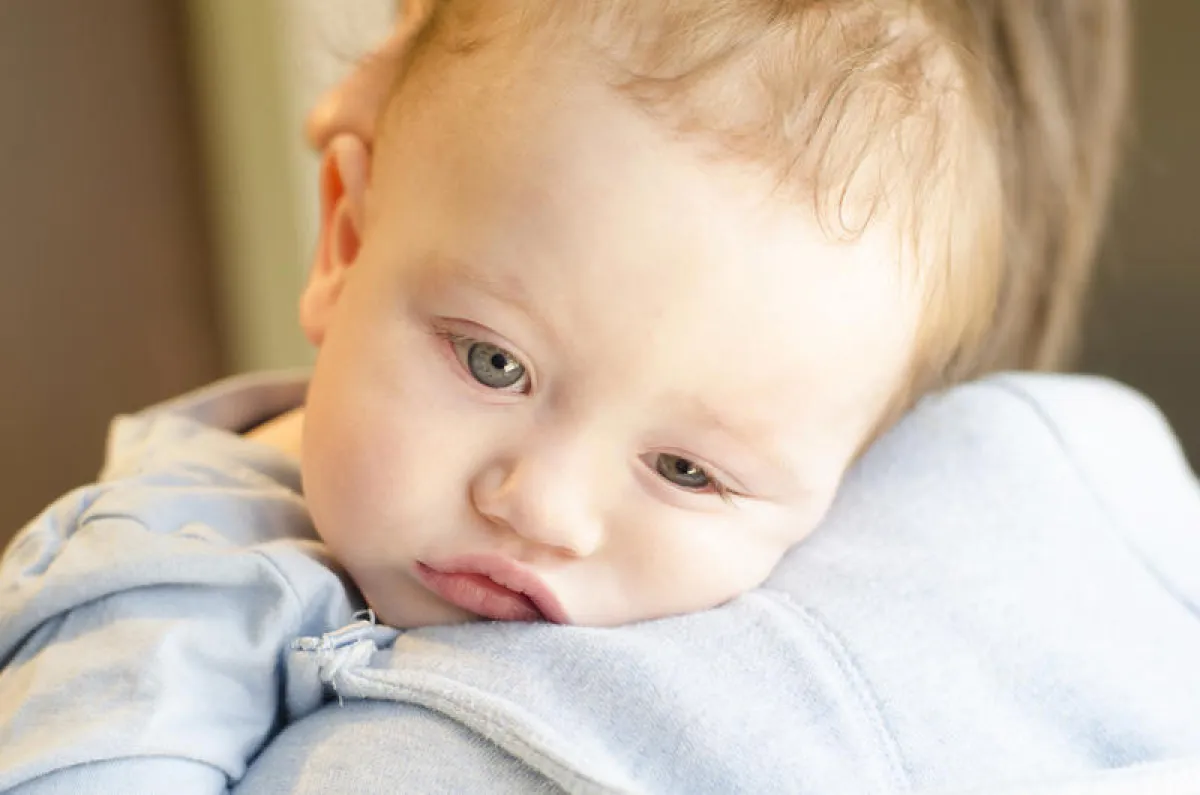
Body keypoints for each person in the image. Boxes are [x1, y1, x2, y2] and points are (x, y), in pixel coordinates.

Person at [6, 1, 1198, 793]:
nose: (544, 508)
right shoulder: (167, 584)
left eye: (685, 471)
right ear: (346, 242)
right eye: (493, 364)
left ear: (854, 481)